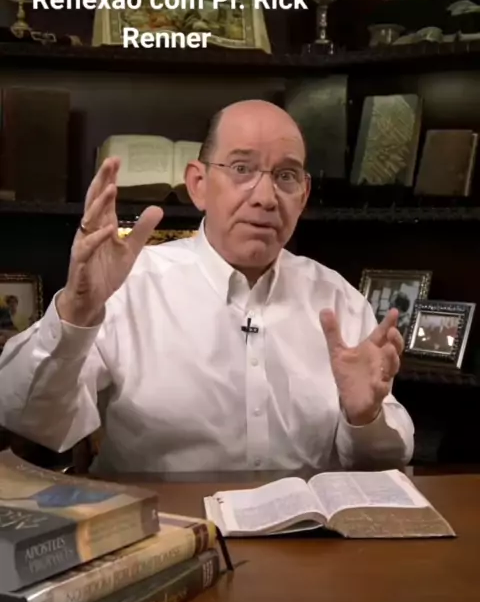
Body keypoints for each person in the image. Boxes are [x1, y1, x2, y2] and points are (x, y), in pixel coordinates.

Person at [0, 100, 414, 474]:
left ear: (303, 195)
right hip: (162, 524)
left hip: (307, 530)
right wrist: (77, 312)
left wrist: (364, 419)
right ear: (198, 184)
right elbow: (31, 419)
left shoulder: (338, 299)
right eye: (242, 169)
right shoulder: (130, 285)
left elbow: (382, 463)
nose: (266, 197)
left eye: (286, 176)